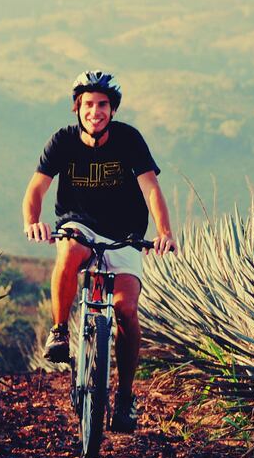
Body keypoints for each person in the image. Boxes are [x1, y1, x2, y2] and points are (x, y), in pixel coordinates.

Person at [22, 70, 176, 433]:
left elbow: (151, 188)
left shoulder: (129, 139)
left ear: (113, 109)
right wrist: (33, 221)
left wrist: (165, 232)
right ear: (77, 108)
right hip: (79, 223)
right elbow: (36, 189)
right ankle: (60, 331)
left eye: (103, 105)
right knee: (69, 249)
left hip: (125, 232)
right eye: (88, 104)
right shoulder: (62, 141)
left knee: (126, 310)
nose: (95, 111)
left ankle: (125, 397)